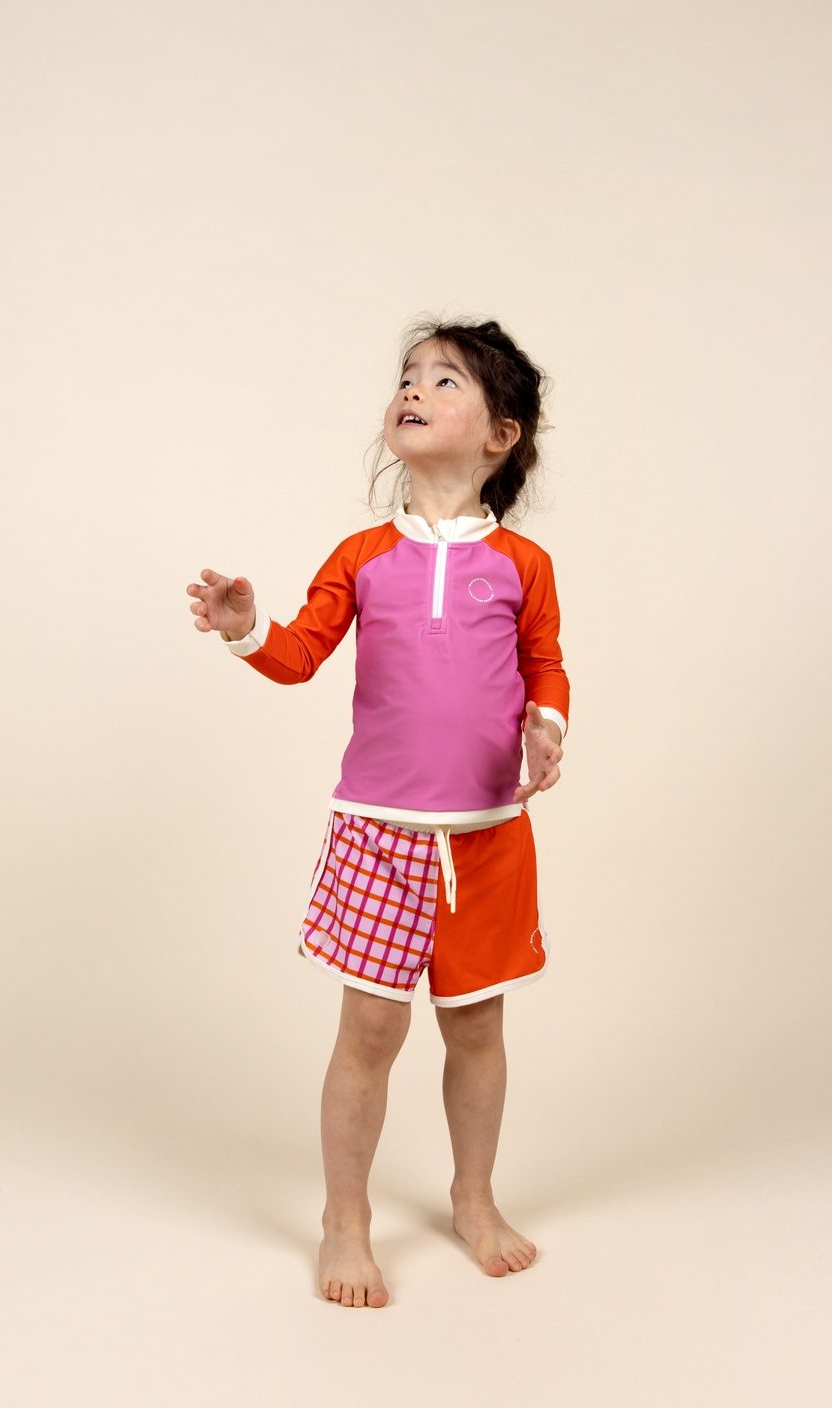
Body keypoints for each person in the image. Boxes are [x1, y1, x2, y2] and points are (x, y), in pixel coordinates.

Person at [186, 317, 570, 1308]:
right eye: (408, 375)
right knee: (367, 1032)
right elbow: (299, 656)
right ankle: (345, 1220)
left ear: (501, 436)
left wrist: (548, 725)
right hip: (377, 832)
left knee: (476, 1029)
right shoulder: (362, 555)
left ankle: (473, 1199)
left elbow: (545, 665)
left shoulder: (522, 565)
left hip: (487, 839)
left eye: (444, 380)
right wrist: (246, 631)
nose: (413, 390)